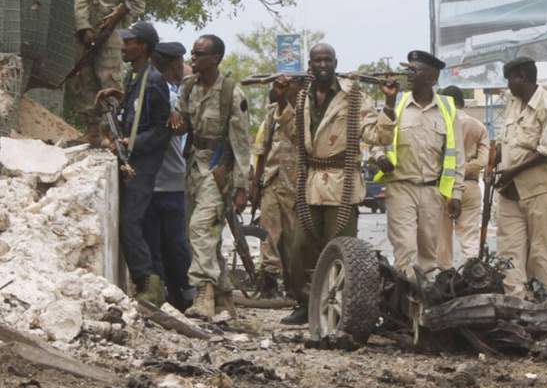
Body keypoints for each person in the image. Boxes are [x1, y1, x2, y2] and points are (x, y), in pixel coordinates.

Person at [283, 43, 396, 324]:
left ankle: (342, 309)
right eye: (317, 60)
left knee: (342, 250)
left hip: (342, 182)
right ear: (310, 64)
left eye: (327, 60)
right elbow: (294, 135)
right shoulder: (302, 97)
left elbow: (378, 136)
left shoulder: (354, 96)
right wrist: (282, 100)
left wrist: (390, 104)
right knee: (299, 249)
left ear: (335, 62)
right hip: (310, 183)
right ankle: (305, 303)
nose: (322, 65)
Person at [168, 35, 250, 319]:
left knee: (201, 229)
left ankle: (204, 294)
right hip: (193, 167)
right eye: (192, 53)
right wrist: (175, 122)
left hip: (218, 171)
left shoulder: (231, 94)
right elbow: (182, 124)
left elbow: (241, 146)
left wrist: (241, 188)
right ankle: (225, 298)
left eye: (199, 54)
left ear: (215, 59)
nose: (193, 58)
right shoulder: (188, 87)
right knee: (203, 237)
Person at [95, 22, 170, 305]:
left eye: (130, 42)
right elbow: (136, 112)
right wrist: (117, 97)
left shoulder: (154, 80)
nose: (124, 47)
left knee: (130, 224)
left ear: (144, 47)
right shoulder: (135, 77)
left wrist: (130, 143)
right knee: (136, 223)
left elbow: (163, 130)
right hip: (133, 161)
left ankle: (148, 283)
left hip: (143, 164)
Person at [373, 51, 465, 279]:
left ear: (432, 78)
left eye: (414, 70)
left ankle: (423, 306)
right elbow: (376, 139)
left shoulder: (447, 109)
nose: (408, 75)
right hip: (401, 188)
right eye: (407, 70)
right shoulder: (397, 103)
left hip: (432, 192)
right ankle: (405, 306)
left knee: (428, 256)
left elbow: (457, 154)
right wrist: (378, 157)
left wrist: (456, 194)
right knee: (406, 250)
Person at [493, 56, 547, 300]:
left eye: (510, 79)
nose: (508, 85)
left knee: (543, 252)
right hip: (510, 192)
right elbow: (505, 142)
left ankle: (543, 302)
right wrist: (495, 165)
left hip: (542, 191)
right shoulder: (513, 104)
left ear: (523, 77)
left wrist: (512, 172)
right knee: (509, 252)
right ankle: (515, 300)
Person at [74, 0, 146, 145]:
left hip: (113, 34)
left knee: (109, 80)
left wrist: (118, 15)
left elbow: (138, 3)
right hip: (88, 29)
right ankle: (92, 130)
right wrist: (83, 25)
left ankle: (110, 132)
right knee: (84, 76)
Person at [143, 41, 193, 311]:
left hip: (168, 180)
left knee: (170, 244)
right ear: (173, 64)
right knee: (170, 244)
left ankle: (180, 293)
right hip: (163, 181)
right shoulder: (165, 95)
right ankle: (177, 294)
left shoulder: (169, 97)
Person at [252, 76, 300, 299]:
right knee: (268, 236)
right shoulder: (271, 114)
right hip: (272, 181)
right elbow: (261, 150)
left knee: (293, 239)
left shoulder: (305, 114)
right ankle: (269, 283)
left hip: (296, 185)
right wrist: (255, 184)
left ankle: (294, 285)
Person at [436, 85, 490, 267]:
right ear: (462, 102)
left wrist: (451, 173)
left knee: (442, 240)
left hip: (443, 187)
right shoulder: (478, 126)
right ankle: (473, 274)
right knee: (470, 237)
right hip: (470, 186)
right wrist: (465, 169)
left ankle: (445, 276)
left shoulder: (440, 122)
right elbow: (484, 160)